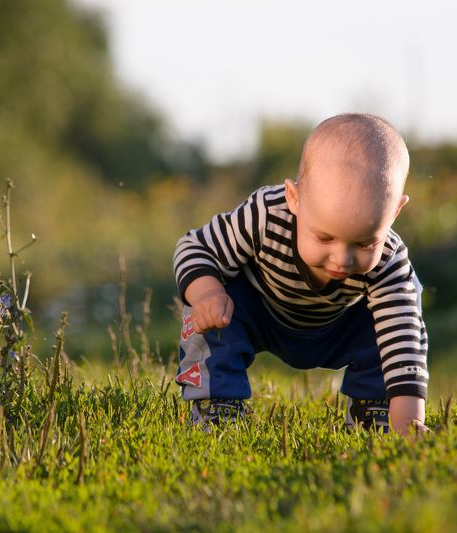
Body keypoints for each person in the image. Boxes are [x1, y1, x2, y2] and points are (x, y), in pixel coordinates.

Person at [173, 113, 428, 435]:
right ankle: (217, 404)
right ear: (295, 198)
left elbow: (406, 341)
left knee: (389, 326)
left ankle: (374, 410)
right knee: (211, 309)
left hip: (338, 327)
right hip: (258, 313)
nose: (342, 258)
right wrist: (207, 293)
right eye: (324, 237)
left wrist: (408, 420)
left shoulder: (390, 261)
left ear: (394, 213)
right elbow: (195, 247)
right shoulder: (265, 215)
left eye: (364, 243)